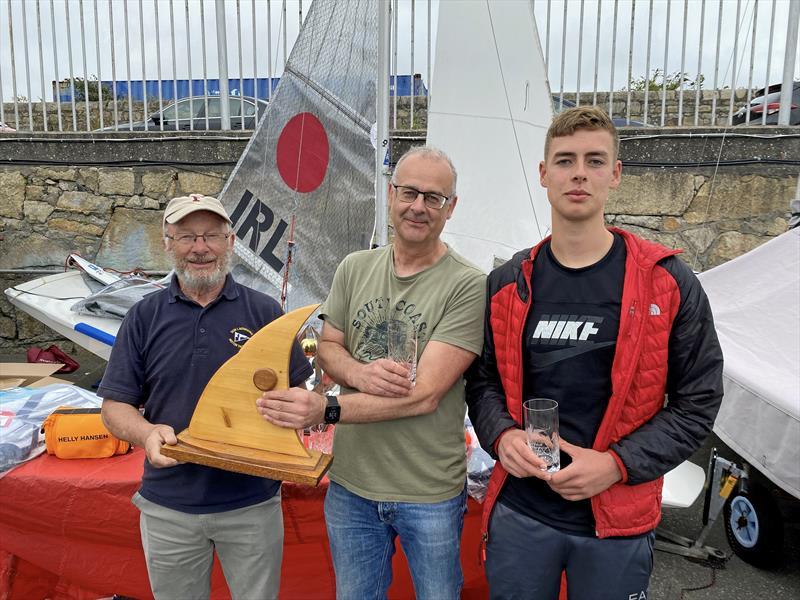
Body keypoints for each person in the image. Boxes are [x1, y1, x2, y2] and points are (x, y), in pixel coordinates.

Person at [466, 106, 724, 600]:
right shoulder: (507, 284)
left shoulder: (668, 283)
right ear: (543, 174)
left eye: (594, 160)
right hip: (522, 514)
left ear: (616, 174)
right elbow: (483, 383)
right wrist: (501, 436)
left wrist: (616, 464)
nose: (579, 172)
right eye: (564, 160)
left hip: (617, 520)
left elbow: (698, 403)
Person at [255, 147, 486, 600]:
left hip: (429, 490)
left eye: (433, 198)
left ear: (451, 207)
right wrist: (361, 373)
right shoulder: (354, 267)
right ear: (390, 193)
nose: (418, 206)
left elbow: (424, 396)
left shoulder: (468, 284)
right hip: (351, 486)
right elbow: (327, 348)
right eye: (409, 192)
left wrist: (327, 406)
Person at [99, 194, 312, 600]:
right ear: (167, 243)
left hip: (252, 504)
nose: (201, 248)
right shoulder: (143, 317)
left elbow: (298, 396)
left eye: (212, 235)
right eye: (187, 237)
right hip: (168, 507)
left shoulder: (265, 312)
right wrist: (146, 434)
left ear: (230, 241)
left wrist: (298, 410)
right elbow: (114, 408)